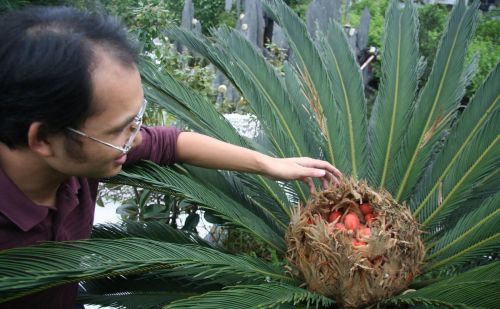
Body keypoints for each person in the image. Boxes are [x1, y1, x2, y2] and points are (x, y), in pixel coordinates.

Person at [0, 6, 342, 308]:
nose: (135, 137)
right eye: (120, 129)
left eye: (137, 118)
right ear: (43, 138)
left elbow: (171, 143)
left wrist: (269, 165)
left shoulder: (77, 155)